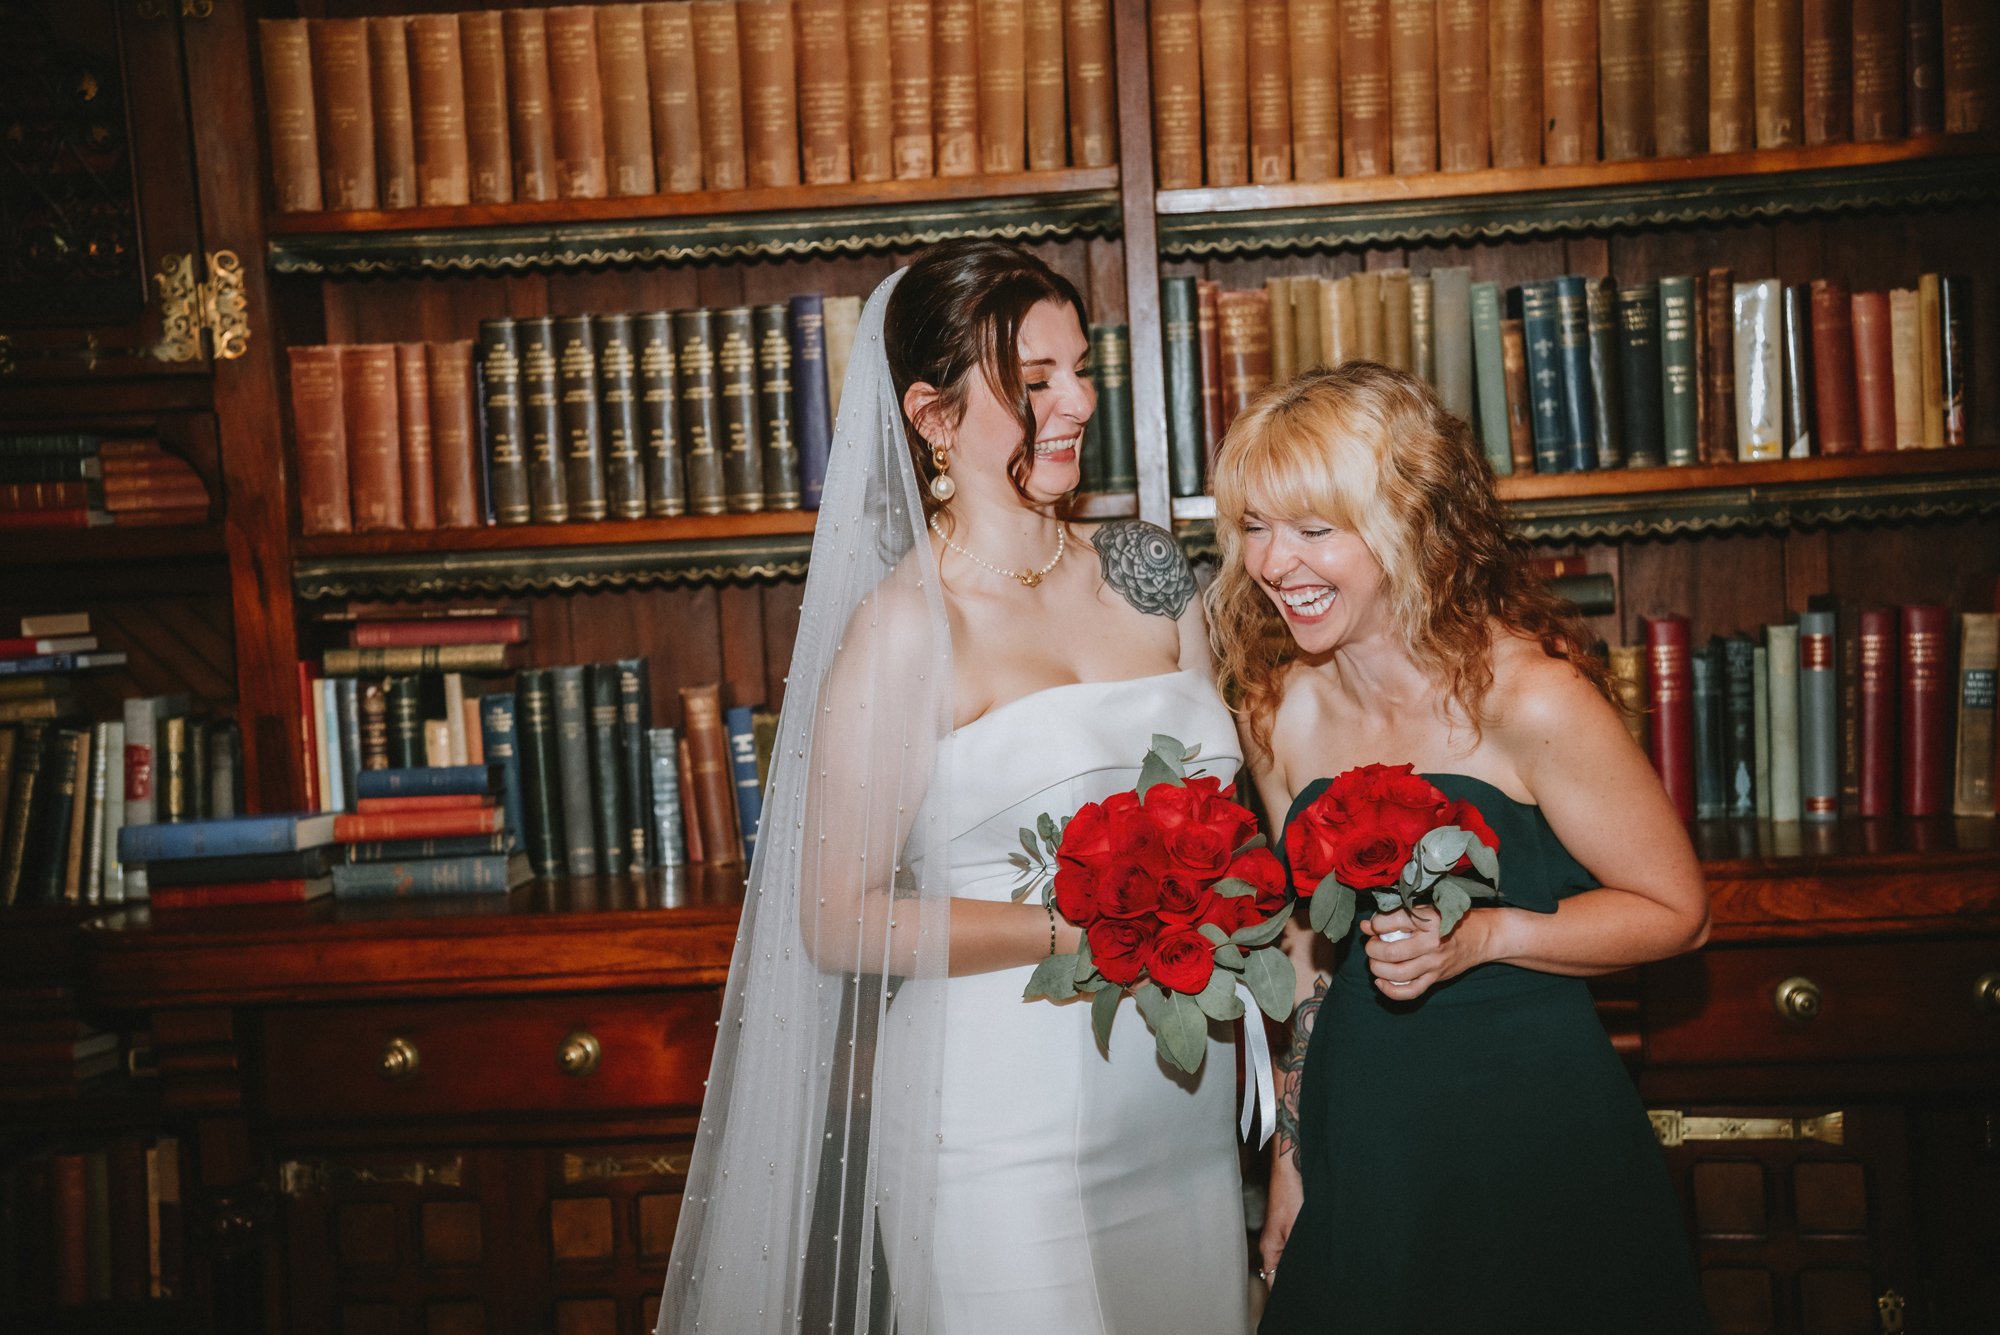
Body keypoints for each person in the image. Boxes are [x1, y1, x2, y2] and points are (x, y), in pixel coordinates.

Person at [658, 240, 1251, 1335]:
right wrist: (1077, 926)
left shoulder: (1150, 570)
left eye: (1079, 367)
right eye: (1033, 384)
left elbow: (1228, 826)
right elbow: (835, 920)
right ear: (931, 420)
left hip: (1179, 1108)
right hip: (1003, 1125)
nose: (1075, 400)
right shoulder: (900, 634)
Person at [1207, 362, 1713, 1334]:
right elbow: (1308, 962)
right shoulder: (1273, 711)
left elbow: (1675, 913)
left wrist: (1482, 937)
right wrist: (1289, 1165)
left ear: (1408, 523)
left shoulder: (1529, 696)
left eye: (1314, 530)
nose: (1272, 564)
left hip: (1528, 1120)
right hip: (1367, 1132)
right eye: (1252, 528)